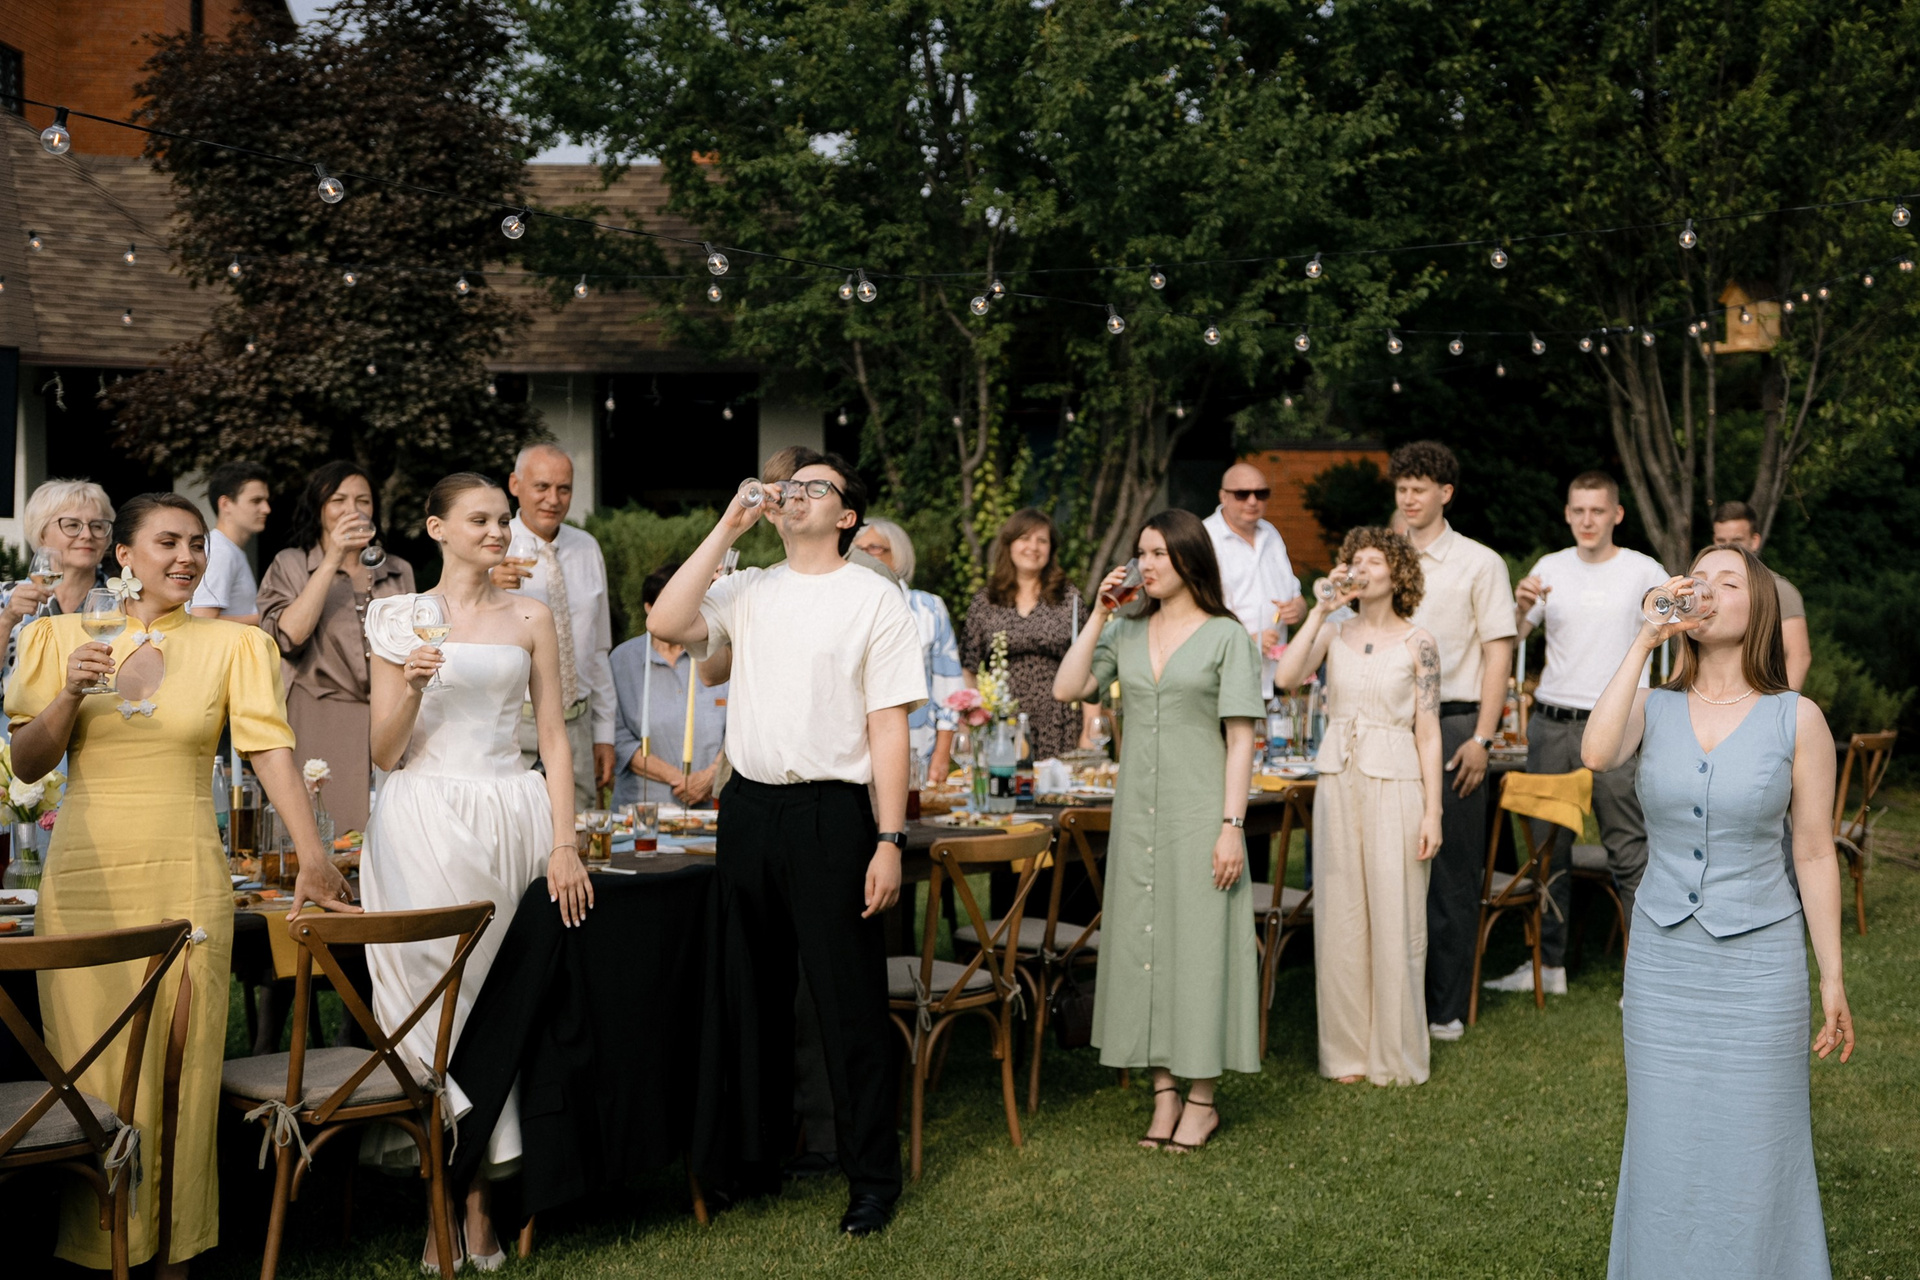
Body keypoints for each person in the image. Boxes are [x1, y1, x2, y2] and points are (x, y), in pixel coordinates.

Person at [6, 492, 355, 1278]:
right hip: (86, 882)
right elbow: (26, 765)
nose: (188, 558)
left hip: (187, 875)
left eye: (197, 544)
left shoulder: (236, 644)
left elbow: (269, 750)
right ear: (123, 555)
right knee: (92, 1072)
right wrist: (69, 691)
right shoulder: (56, 637)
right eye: (167, 542)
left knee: (182, 1072)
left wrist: (312, 852)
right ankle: (102, 1249)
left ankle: (175, 1255)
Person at [650, 449, 924, 1237]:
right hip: (749, 810)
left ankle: (871, 1180)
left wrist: (889, 838)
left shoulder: (874, 600)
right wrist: (728, 526)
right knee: (751, 996)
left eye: (815, 487)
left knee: (847, 1003)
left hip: (832, 814)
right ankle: (755, 1161)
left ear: (846, 516)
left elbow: (888, 727)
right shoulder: (749, 589)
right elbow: (665, 623)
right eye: (790, 486)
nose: (795, 494)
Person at [1581, 543, 1853, 1278]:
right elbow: (1597, 753)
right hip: (1664, 966)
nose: (1704, 590)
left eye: (1726, 581)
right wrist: (1645, 640)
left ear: (1758, 606)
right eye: (1695, 580)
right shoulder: (1653, 705)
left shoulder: (1797, 718)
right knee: (1664, 1140)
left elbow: (1814, 852)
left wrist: (1831, 976)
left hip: (1760, 967)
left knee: (1758, 1143)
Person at [360, 472, 590, 1271]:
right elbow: (383, 752)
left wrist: (565, 841)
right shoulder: (395, 616)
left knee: (498, 1008)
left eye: (502, 520)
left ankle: (481, 1201)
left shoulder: (531, 616)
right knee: (432, 1012)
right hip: (421, 820)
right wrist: (414, 687)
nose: (498, 531)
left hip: (511, 816)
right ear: (437, 528)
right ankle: (439, 1201)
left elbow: (553, 737)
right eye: (480, 520)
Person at [1053, 508, 1265, 1150]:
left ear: (1188, 560)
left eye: (1158, 555)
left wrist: (1232, 826)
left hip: (1200, 811)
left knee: (1198, 950)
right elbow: (1068, 687)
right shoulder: (1126, 629)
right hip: (1138, 814)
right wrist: (1098, 615)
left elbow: (1240, 739)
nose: (1145, 566)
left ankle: (1202, 1100)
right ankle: (1164, 1093)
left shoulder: (1227, 637)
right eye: (1140, 553)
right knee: (1146, 947)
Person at [1486, 472, 1670, 998]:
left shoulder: (1643, 570)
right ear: (1567, 514)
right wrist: (1519, 606)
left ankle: (1644, 976)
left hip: (1617, 725)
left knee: (1629, 851)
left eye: (1597, 510)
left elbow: (1675, 630)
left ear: (1617, 514)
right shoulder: (1549, 567)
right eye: (1578, 510)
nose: (1587, 520)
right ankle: (1549, 967)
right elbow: (1515, 637)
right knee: (1548, 852)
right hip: (1551, 723)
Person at [1276, 527, 1444, 1085]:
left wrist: (1433, 812)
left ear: (1397, 575)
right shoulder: (1333, 631)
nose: (1361, 569)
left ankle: (1394, 1055)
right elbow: (1286, 677)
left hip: (1397, 781)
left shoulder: (1419, 642)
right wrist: (1319, 611)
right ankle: (1346, 1054)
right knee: (1342, 915)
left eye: (1374, 561)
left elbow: (1428, 732)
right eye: (1355, 561)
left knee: (1397, 914)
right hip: (1339, 781)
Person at [1392, 441, 1517, 1043]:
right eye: (1401, 489)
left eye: (1419, 488)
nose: (1408, 498)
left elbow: (1499, 653)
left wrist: (1483, 739)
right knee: (1395, 863)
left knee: (1451, 873)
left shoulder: (1479, 563)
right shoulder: (1384, 559)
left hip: (1455, 725)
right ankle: (1396, 1002)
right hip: (1391, 725)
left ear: (1446, 493)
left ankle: (1445, 1009)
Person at [257, 462, 415, 834]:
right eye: (338, 500)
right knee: (325, 830)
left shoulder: (398, 569)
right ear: (319, 508)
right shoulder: (291, 563)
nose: (352, 509)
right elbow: (288, 638)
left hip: (390, 719)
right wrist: (331, 559)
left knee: (393, 833)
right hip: (320, 714)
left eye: (363, 500)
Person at [491, 443, 616, 810]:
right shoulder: (491, 546)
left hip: (576, 724)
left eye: (564, 489)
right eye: (542, 487)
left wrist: (604, 733)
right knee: (512, 830)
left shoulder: (587, 548)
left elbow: (598, 649)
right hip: (511, 724)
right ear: (515, 484)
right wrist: (485, 585)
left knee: (577, 832)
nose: (553, 499)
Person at [961, 508, 1087, 761]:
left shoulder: (1069, 598)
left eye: (1042, 540)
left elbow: (1089, 665)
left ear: (1051, 549)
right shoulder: (986, 601)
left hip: (1059, 721)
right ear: (1009, 544)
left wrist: (1089, 731)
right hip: (1001, 723)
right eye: (1025, 538)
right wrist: (970, 724)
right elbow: (968, 668)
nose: (1033, 547)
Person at [610, 562, 728, 809]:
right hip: (642, 807)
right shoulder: (622, 660)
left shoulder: (719, 657)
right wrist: (682, 781)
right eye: (671, 603)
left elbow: (739, 726)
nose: (681, 612)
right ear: (649, 608)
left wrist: (710, 777)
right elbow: (616, 735)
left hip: (711, 805)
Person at [853, 518, 963, 778]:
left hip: (917, 752)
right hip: (853, 755)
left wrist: (941, 757)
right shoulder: (841, 607)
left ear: (898, 555)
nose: (865, 556)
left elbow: (949, 688)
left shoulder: (928, 608)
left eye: (874, 548)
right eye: (858, 549)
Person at [1203, 461, 1307, 696]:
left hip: (1274, 675)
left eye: (1261, 494)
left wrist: (1297, 610)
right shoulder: (1205, 538)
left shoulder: (1271, 533)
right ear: (1223, 496)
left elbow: (1296, 596)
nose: (1252, 501)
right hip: (1225, 676)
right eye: (1242, 494)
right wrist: (1247, 639)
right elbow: (1195, 610)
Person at [1, 478, 114, 677]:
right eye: (72, 525)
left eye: (97, 526)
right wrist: (7, 620)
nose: (87, 535)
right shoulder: (4, 597)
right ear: (42, 534)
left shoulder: (122, 602)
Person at [1710, 500, 1811, 690]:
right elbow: (1687, 655)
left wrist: (1782, 703)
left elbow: (1799, 655)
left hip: (1761, 696)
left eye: (1736, 541)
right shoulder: (1704, 591)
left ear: (1754, 541)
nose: (1728, 548)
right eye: (1721, 541)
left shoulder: (1779, 589)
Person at [188, 460, 271, 625]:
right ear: (225, 504)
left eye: (266, 500)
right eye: (256, 501)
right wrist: (270, 617)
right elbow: (202, 619)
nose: (266, 509)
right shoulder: (219, 552)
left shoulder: (226, 549)